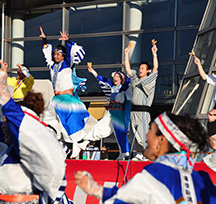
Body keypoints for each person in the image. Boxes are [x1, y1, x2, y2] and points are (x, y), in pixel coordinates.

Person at [74, 112, 216, 204]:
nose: (146, 135)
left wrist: (94, 189)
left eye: (150, 130)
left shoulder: (156, 174)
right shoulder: (203, 181)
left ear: (161, 141)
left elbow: (124, 200)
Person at [0, 60, 71, 204]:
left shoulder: (33, 135)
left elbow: (23, 127)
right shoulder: (10, 143)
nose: (4, 126)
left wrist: (4, 91)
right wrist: (4, 77)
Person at [39, 27, 97, 158]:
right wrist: (44, 39)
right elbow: (46, 53)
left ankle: (79, 143)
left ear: (64, 56)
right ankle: (63, 147)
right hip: (55, 99)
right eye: (55, 54)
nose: (55, 55)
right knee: (47, 124)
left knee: (69, 126)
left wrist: (68, 41)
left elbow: (77, 52)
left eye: (58, 54)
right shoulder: (52, 65)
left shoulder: (68, 64)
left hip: (66, 98)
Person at [84, 65, 132, 160]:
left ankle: (124, 153)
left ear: (121, 79)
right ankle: (87, 138)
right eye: (114, 77)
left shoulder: (124, 87)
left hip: (119, 112)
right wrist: (92, 71)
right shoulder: (111, 87)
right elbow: (102, 79)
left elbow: (130, 79)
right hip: (110, 111)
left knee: (120, 133)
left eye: (117, 77)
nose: (115, 78)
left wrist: (128, 69)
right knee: (100, 125)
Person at [124, 43, 158, 160]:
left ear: (147, 71)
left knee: (143, 132)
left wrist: (154, 54)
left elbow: (155, 69)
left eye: (143, 68)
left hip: (143, 111)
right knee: (133, 131)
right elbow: (128, 69)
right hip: (133, 111)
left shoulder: (149, 81)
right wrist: (126, 54)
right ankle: (138, 153)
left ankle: (147, 154)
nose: (140, 70)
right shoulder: (135, 80)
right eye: (140, 68)